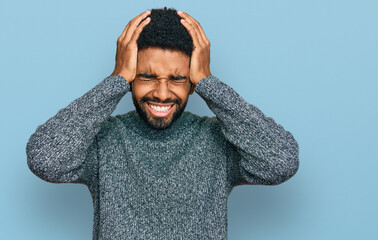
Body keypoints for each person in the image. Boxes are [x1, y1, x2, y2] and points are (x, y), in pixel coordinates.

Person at [26, 7, 299, 240]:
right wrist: (116, 79)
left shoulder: (217, 139)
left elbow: (282, 162)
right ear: (130, 79)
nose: (162, 93)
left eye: (178, 79)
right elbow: (45, 159)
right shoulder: (103, 138)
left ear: (193, 84)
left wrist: (209, 83)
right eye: (147, 76)